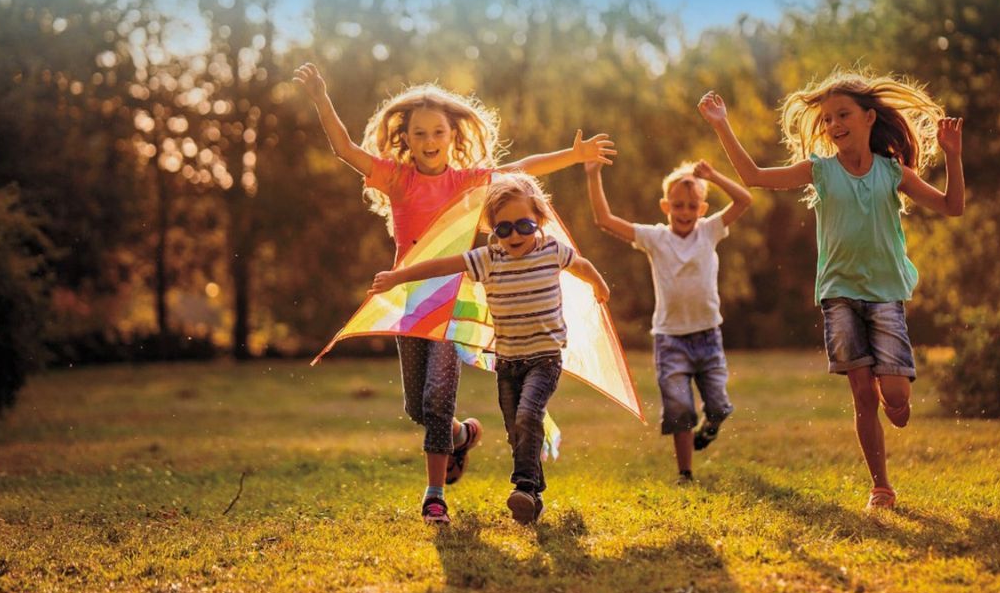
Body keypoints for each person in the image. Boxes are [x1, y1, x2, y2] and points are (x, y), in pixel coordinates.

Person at [294, 63, 615, 524]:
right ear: (406, 136)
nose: (429, 140)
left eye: (438, 132)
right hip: (410, 305)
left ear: (451, 134)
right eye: (419, 132)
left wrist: (572, 153)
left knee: (438, 398)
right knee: (418, 408)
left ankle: (435, 495)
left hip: (452, 303)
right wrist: (321, 97)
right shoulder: (396, 178)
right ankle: (462, 436)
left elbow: (520, 169)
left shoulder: (466, 182)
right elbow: (345, 150)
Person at [698, 69, 964, 509]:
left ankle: (894, 399)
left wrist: (953, 156)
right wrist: (721, 124)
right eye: (827, 119)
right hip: (839, 294)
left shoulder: (891, 172)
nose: (834, 125)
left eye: (843, 114)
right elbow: (754, 176)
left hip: (884, 295)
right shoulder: (819, 171)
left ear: (869, 118)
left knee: (895, 400)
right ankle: (881, 486)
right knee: (863, 395)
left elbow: (953, 207)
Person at [370, 172, 610, 525]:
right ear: (493, 231)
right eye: (504, 228)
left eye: (525, 226)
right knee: (516, 430)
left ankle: (524, 487)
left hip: (544, 359)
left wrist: (599, 286)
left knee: (529, 416)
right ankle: (534, 495)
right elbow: (442, 265)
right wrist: (398, 276)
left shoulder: (551, 251)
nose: (515, 235)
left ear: (539, 221)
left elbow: (583, 265)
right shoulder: (489, 258)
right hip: (508, 362)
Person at [585, 158, 751, 482]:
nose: (685, 212)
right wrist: (593, 175)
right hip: (670, 339)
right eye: (678, 205)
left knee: (718, 405)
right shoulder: (655, 238)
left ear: (702, 208)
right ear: (665, 205)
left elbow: (744, 200)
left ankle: (712, 425)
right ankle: (685, 473)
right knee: (679, 409)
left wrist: (714, 175)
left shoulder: (710, 231)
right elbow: (604, 220)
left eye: (692, 206)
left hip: (708, 335)